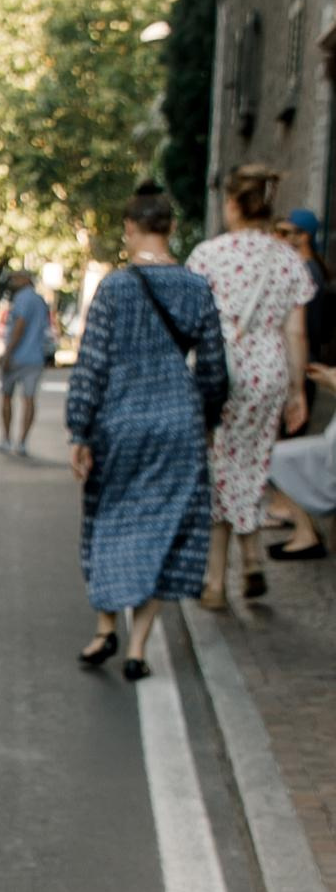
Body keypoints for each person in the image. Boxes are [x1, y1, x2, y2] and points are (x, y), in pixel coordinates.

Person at [64, 182, 229, 676]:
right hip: (178, 421)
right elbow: (215, 369)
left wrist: (80, 430)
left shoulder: (115, 287)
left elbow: (91, 365)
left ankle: (103, 630)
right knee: (167, 527)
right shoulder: (197, 287)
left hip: (120, 422)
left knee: (110, 520)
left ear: (130, 229)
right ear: (171, 227)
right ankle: (137, 648)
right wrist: (208, 418)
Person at [189, 163, 312, 603]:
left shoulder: (208, 255)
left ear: (237, 204)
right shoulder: (287, 259)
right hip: (270, 369)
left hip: (224, 369)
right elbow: (296, 332)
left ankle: (217, 581)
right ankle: (253, 560)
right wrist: (298, 391)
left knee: (222, 466)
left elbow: (194, 322)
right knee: (253, 464)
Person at [266, 209, 334, 557]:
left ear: (301, 236)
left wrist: (299, 374)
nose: (277, 236)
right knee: (289, 448)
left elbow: (302, 330)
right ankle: (292, 516)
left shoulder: (306, 272)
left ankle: (298, 523)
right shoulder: (311, 270)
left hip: (301, 367)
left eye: (284, 230)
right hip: (303, 366)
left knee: (287, 448)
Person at [0, 267, 54, 454]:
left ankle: (6, 439)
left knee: (7, 397)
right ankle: (22, 442)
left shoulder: (22, 299)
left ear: (25, 279)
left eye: (15, 279)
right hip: (35, 357)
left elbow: (19, 326)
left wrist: (8, 353)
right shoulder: (40, 301)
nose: (12, 282)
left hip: (18, 357)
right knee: (29, 399)